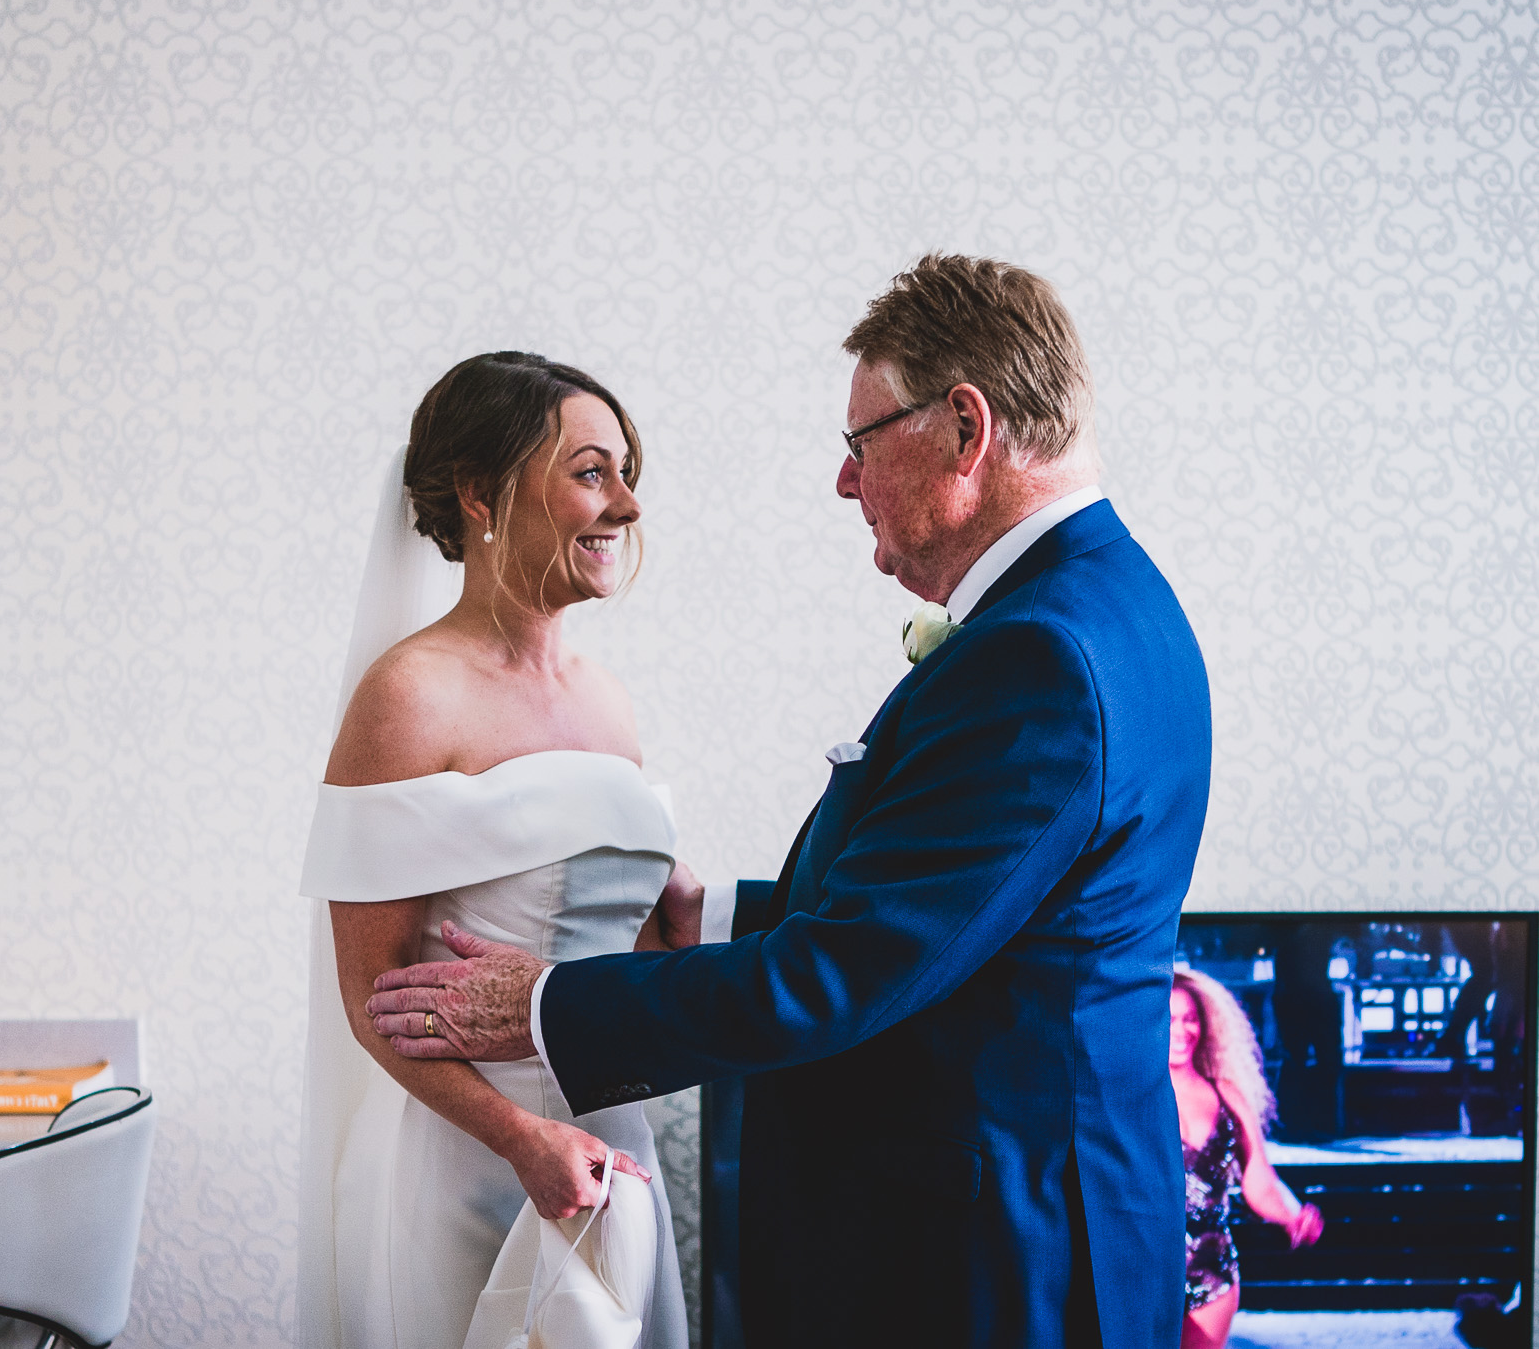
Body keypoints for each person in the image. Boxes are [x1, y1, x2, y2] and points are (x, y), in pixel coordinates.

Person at [365, 255, 1212, 1347]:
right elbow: (947, 915)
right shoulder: (1105, 604)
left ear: (966, 426)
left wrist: (538, 1007)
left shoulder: (1038, 654)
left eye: (859, 442)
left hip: (998, 1258)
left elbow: (848, 970)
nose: (844, 480)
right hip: (1037, 1214)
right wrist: (709, 917)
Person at [298, 351, 698, 1349]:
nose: (628, 505)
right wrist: (522, 1139)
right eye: (592, 470)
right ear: (480, 492)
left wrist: (682, 941)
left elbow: (627, 961)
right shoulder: (408, 696)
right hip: (470, 1159)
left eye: (626, 470)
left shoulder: (610, 703)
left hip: (608, 1146)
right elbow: (370, 996)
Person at [1171, 967, 1322, 1349]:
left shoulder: (1226, 1096)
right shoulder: (1126, 1098)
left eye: (1190, 1019)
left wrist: (1292, 1214)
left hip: (1211, 1271)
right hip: (1140, 1271)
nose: (1183, 1030)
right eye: (1169, 1019)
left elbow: (1260, 1179)